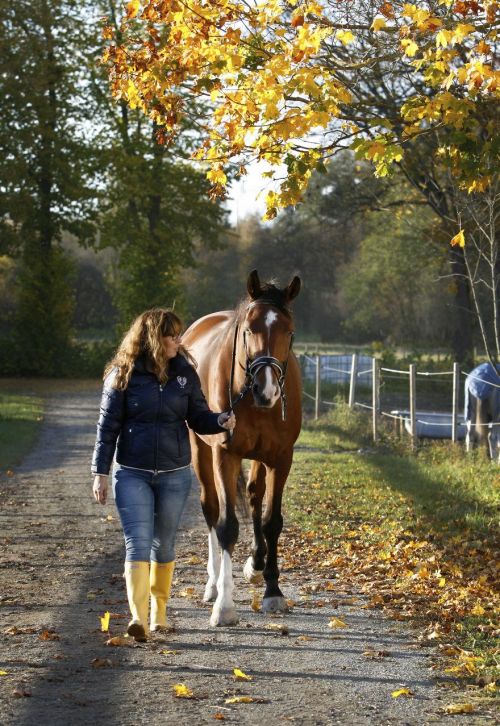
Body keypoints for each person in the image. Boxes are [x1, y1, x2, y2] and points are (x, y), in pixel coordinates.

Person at [91, 308, 235, 642]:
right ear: (154, 338)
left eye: (179, 334)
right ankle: (138, 618)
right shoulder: (122, 374)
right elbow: (106, 427)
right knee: (138, 542)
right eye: (171, 335)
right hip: (132, 474)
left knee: (165, 544)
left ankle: (160, 614)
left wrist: (220, 421)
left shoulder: (185, 373)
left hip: (174, 475)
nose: (178, 341)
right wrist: (100, 471)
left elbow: (198, 416)